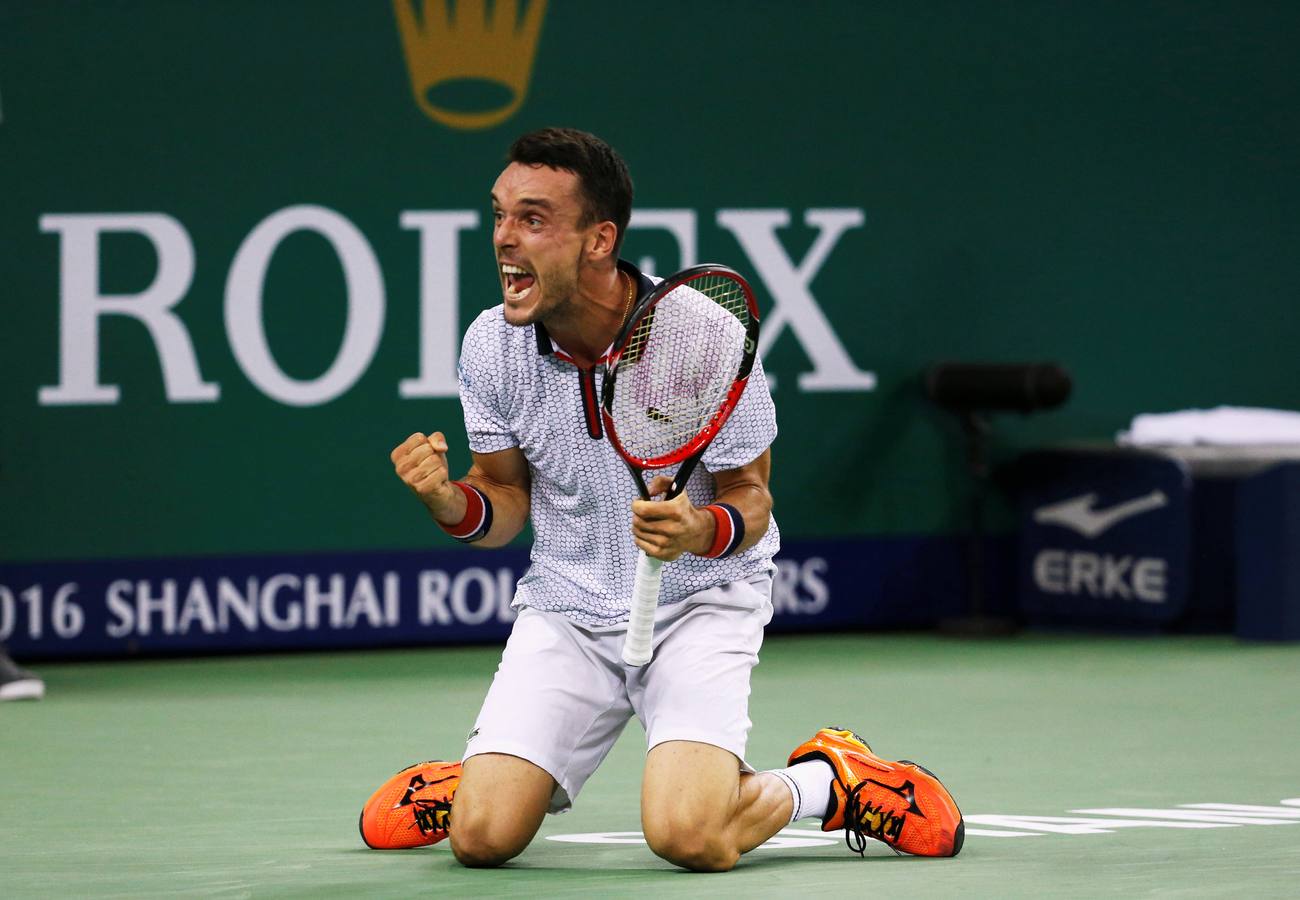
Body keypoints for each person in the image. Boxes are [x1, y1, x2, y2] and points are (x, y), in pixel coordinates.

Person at [359, 127, 963, 870]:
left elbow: (753, 501)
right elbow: (504, 498)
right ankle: (490, 779)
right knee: (481, 838)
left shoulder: (701, 334)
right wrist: (449, 501)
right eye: (499, 215)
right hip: (570, 605)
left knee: (689, 836)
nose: (504, 240)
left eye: (534, 218)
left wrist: (695, 529)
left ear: (598, 240)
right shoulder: (492, 344)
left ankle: (829, 781)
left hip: (701, 599)